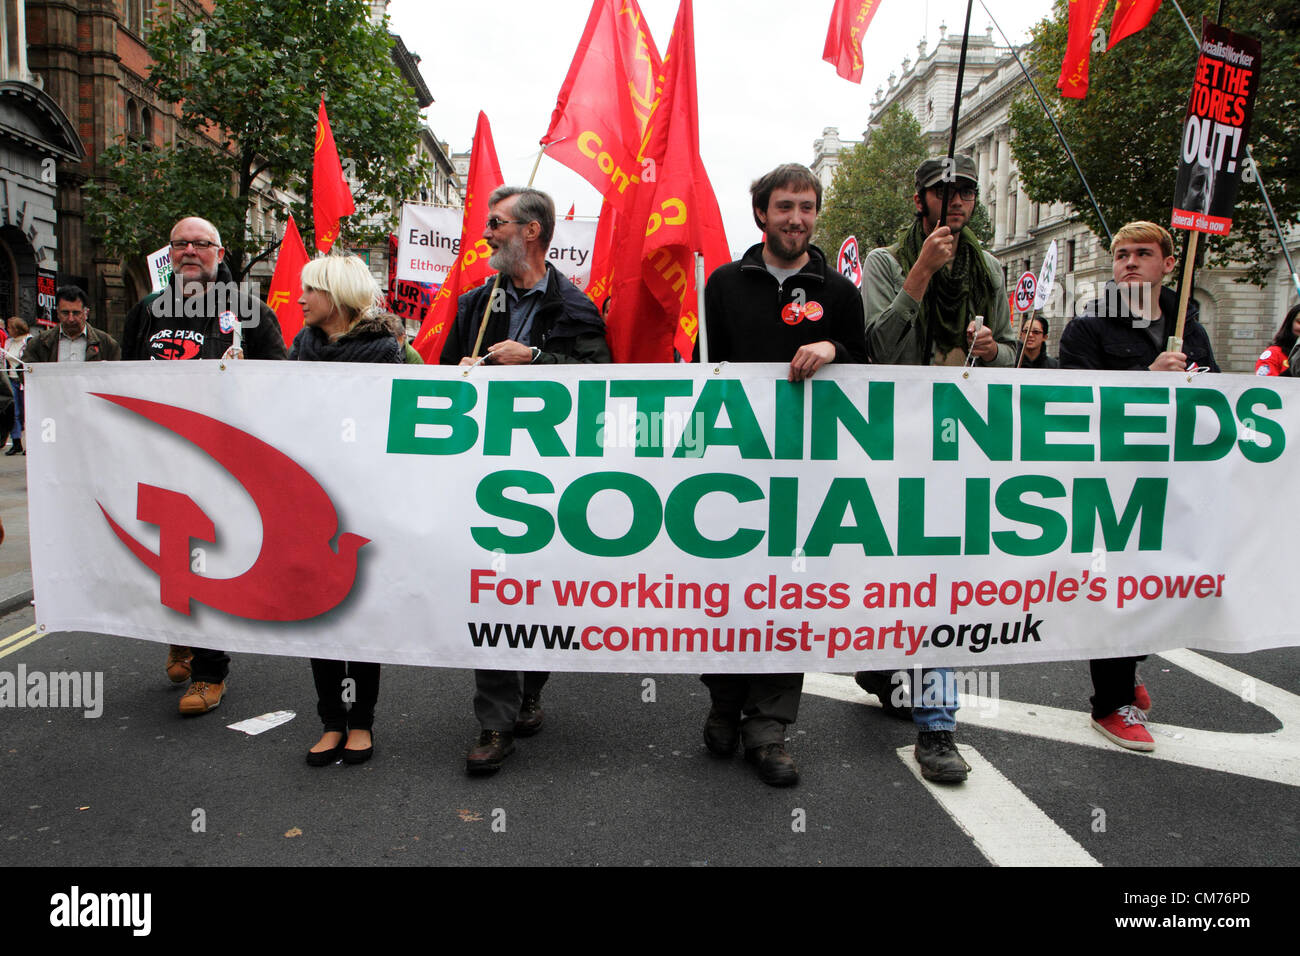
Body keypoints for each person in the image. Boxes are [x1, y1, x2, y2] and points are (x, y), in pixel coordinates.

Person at [695, 163, 870, 786]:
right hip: (732, 471)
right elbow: (701, 375)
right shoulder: (719, 285)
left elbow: (872, 370)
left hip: (807, 476)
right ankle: (722, 700)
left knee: (784, 598)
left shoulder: (840, 293)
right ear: (762, 214)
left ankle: (769, 730)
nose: (797, 218)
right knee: (729, 591)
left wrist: (835, 350)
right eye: (785, 206)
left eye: (807, 206)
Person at [440, 185, 611, 775]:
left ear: (531, 232)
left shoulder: (578, 307)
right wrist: (460, 376)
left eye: (497, 224)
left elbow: (600, 379)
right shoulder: (473, 306)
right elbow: (440, 386)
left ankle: (530, 687)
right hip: (486, 472)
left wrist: (534, 361)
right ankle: (493, 720)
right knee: (493, 586)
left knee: (539, 591)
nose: (486, 234)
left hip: (551, 476)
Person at [857, 153, 1015, 783]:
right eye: (943, 191)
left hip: (963, 446)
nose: (956, 201)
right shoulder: (886, 262)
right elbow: (881, 347)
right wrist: (920, 275)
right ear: (919, 199)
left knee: (942, 581)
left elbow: (1007, 354)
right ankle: (882, 662)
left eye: (967, 192)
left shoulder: (991, 268)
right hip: (895, 442)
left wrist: (994, 349)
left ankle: (939, 726)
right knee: (893, 568)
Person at [1059, 220, 1219, 751]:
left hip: (1171, 481)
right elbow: (1076, 409)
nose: (1129, 262)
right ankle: (1111, 703)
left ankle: (1127, 669)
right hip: (1111, 485)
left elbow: (1216, 394)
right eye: (1121, 254)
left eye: (1143, 254)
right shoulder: (1087, 330)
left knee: (1159, 583)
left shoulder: (1188, 328)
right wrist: (1147, 380)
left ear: (1169, 264)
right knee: (1114, 589)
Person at [122, 216, 286, 715]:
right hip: (158, 453)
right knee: (166, 554)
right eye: (179, 244)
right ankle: (180, 636)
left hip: (221, 460)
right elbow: (123, 378)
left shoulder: (250, 312)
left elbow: (280, 384)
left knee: (205, 558)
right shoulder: (147, 311)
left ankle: (211, 672)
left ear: (219, 253)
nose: (189, 250)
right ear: (169, 254)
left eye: (200, 244)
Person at [289, 255, 401, 765]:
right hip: (308, 500)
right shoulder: (302, 348)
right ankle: (331, 721)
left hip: (362, 499)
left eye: (310, 290)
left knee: (357, 613)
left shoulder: (383, 354)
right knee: (320, 613)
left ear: (334, 295)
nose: (301, 298)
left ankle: (361, 722)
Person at [23, 287, 121, 364]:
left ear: (86, 313)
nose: (71, 319)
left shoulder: (106, 344)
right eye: (65, 313)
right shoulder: (39, 344)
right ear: (57, 313)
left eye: (76, 313)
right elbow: (27, 376)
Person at [3, 317, 30, 455]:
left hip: (24, 381)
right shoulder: (9, 342)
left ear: (17, 328)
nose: (7, 330)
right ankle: (16, 442)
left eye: (10, 327)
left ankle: (29, 444)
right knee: (14, 412)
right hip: (11, 379)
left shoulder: (29, 341)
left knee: (27, 412)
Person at [1254, 304, 1298, 376]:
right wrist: (1293, 370)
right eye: (1299, 322)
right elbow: (1265, 383)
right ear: (1290, 324)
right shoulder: (1274, 354)